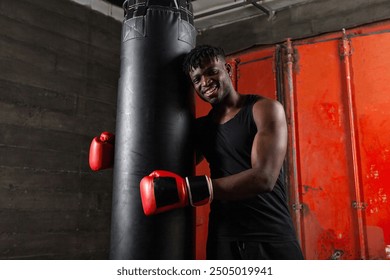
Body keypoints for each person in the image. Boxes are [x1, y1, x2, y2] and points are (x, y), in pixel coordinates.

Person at [182, 45, 304, 260]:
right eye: (197, 79)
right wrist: (120, 152)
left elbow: (263, 178)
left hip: (270, 233)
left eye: (212, 71)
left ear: (227, 69)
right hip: (223, 238)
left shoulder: (262, 109)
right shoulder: (201, 129)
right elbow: (172, 165)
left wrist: (194, 189)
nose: (205, 82)